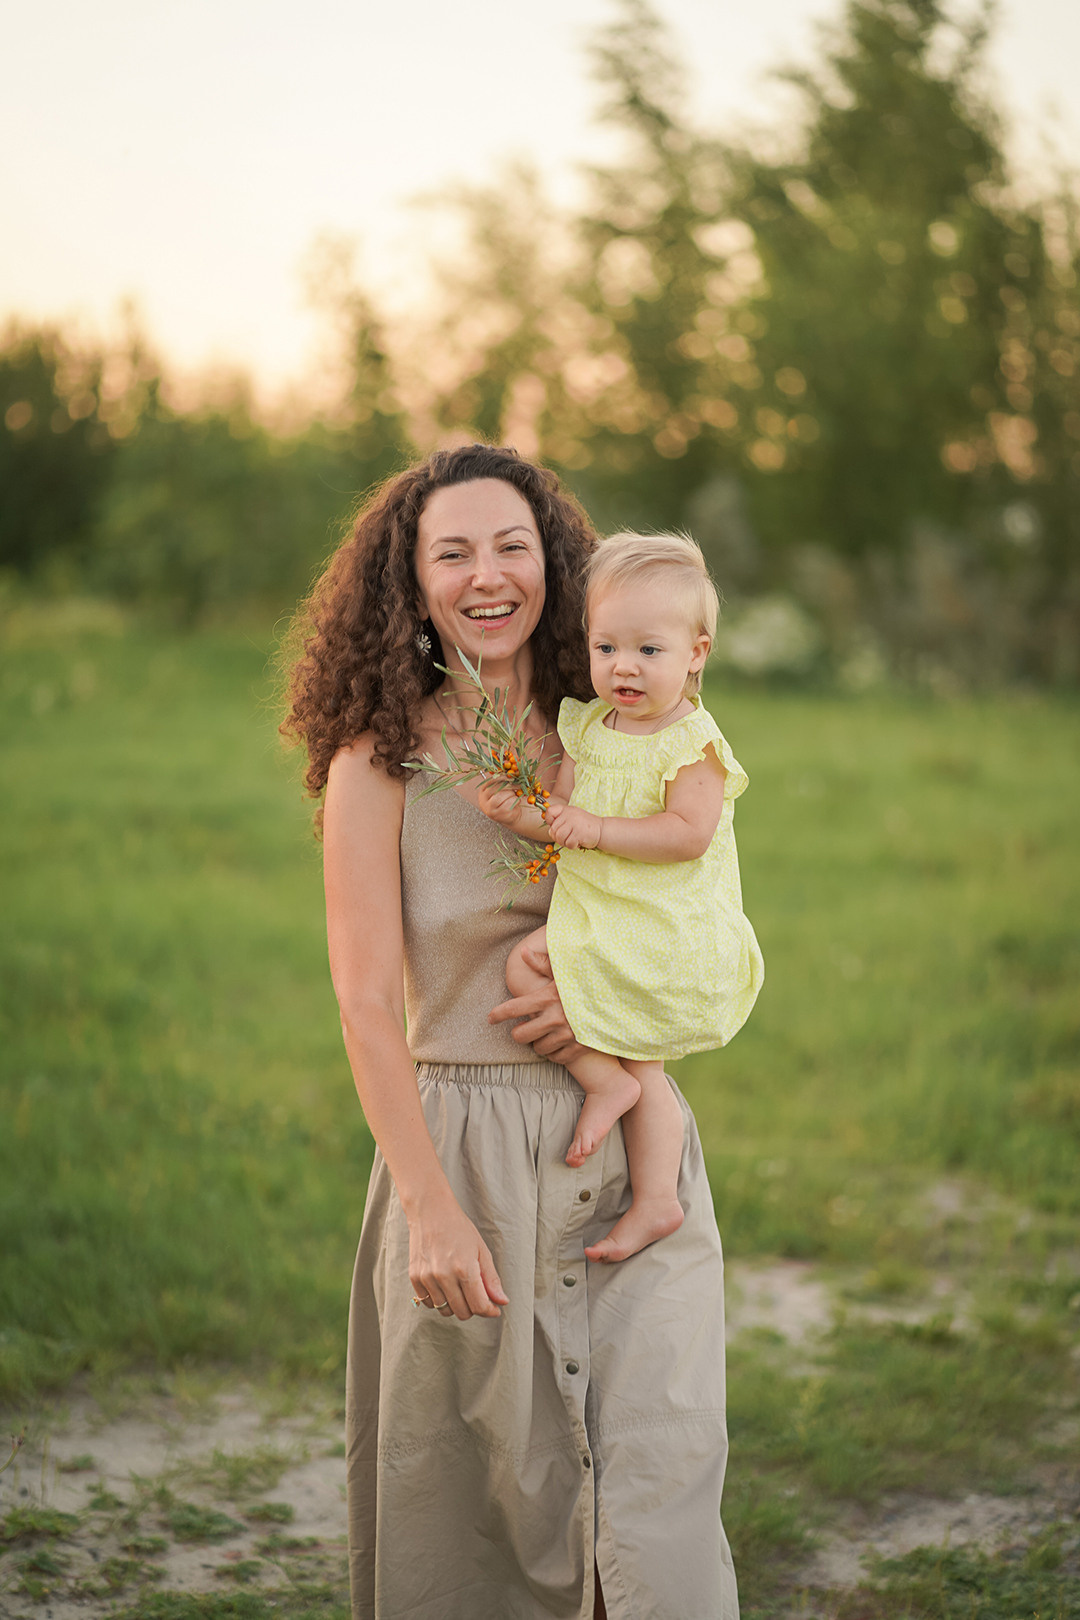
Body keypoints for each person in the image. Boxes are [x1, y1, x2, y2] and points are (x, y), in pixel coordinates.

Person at [282, 444, 740, 1620]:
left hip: (631, 1136)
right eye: (453, 552)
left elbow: (687, 918)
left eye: (512, 546)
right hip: (465, 1154)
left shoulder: (618, 728)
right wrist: (428, 1203)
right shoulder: (378, 762)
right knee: (477, 1522)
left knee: (658, 1497)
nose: (487, 576)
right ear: (412, 581)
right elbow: (366, 1000)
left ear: (557, 565)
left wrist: (652, 1084)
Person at [477, 532, 764, 1266]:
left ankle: (654, 1192)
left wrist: (597, 829)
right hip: (601, 916)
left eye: (649, 651)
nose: (623, 668)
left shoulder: (691, 743)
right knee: (527, 969)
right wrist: (522, 814)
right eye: (607, 649)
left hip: (662, 925)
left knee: (649, 1064)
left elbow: (688, 834)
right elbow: (563, 813)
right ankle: (606, 1091)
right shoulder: (586, 725)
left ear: (696, 654)